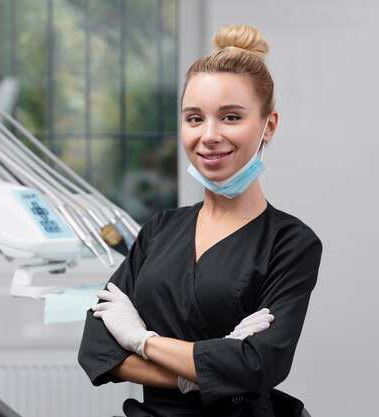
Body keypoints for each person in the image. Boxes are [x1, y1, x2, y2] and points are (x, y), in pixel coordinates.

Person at [78, 24, 323, 417]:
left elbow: (260, 365)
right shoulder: (160, 230)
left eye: (230, 117)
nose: (209, 135)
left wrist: (141, 340)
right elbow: (98, 349)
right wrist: (203, 368)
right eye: (194, 118)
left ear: (268, 126)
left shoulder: (291, 243)